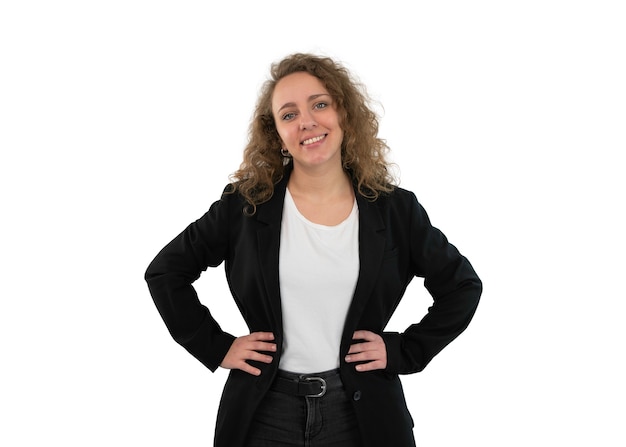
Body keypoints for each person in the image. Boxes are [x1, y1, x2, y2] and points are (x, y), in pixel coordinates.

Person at [145, 53, 482, 447]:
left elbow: (462, 287)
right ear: (277, 134)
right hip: (264, 415)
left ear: (343, 114)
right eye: (288, 115)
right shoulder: (245, 208)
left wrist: (403, 351)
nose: (306, 121)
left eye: (320, 104)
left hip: (363, 415)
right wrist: (216, 346)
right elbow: (165, 272)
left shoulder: (395, 210)